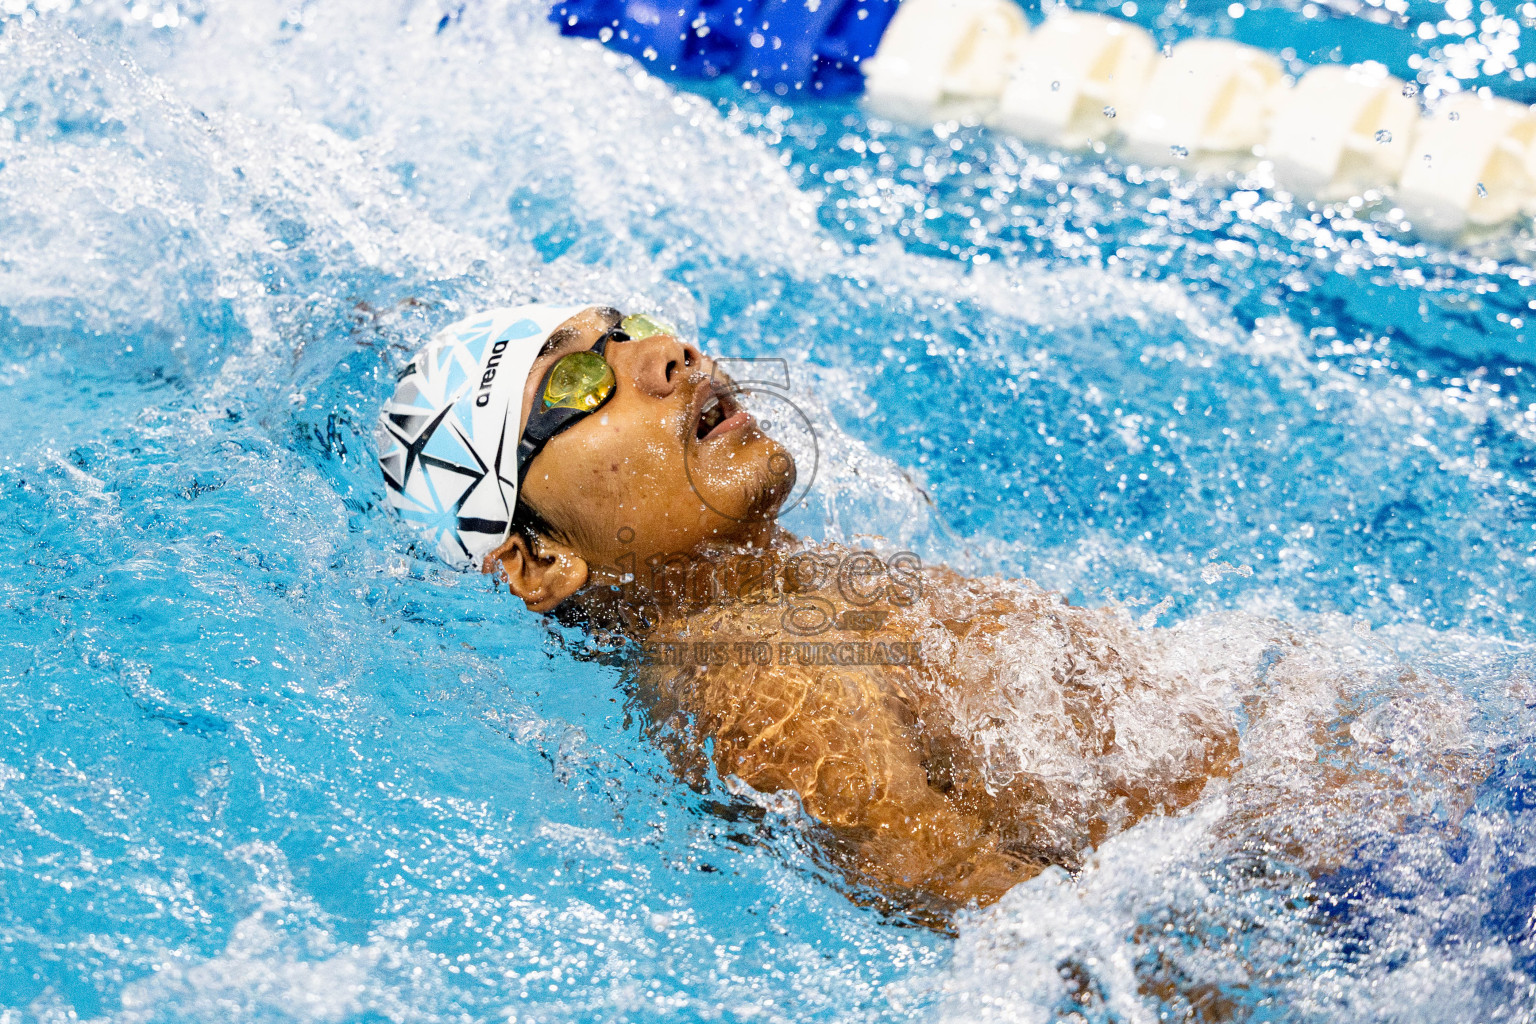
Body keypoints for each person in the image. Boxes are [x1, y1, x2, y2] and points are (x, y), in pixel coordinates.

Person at [375, 303, 1469, 918]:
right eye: (576, 386)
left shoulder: (793, 594)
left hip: (1386, 832)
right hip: (1382, 903)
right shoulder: (749, 672)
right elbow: (998, 912)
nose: (665, 356)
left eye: (629, 328)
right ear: (538, 561)